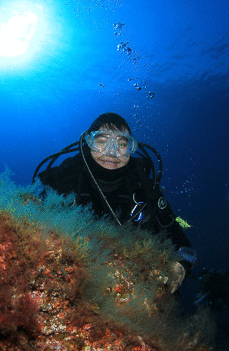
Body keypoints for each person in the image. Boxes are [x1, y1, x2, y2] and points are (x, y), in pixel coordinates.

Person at [34, 113, 196, 293]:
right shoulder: (62, 180)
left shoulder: (144, 189)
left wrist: (181, 266)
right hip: (68, 281)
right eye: (101, 142)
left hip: (129, 288)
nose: (111, 152)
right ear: (88, 142)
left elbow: (182, 243)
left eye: (122, 144)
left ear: (132, 149)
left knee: (184, 223)